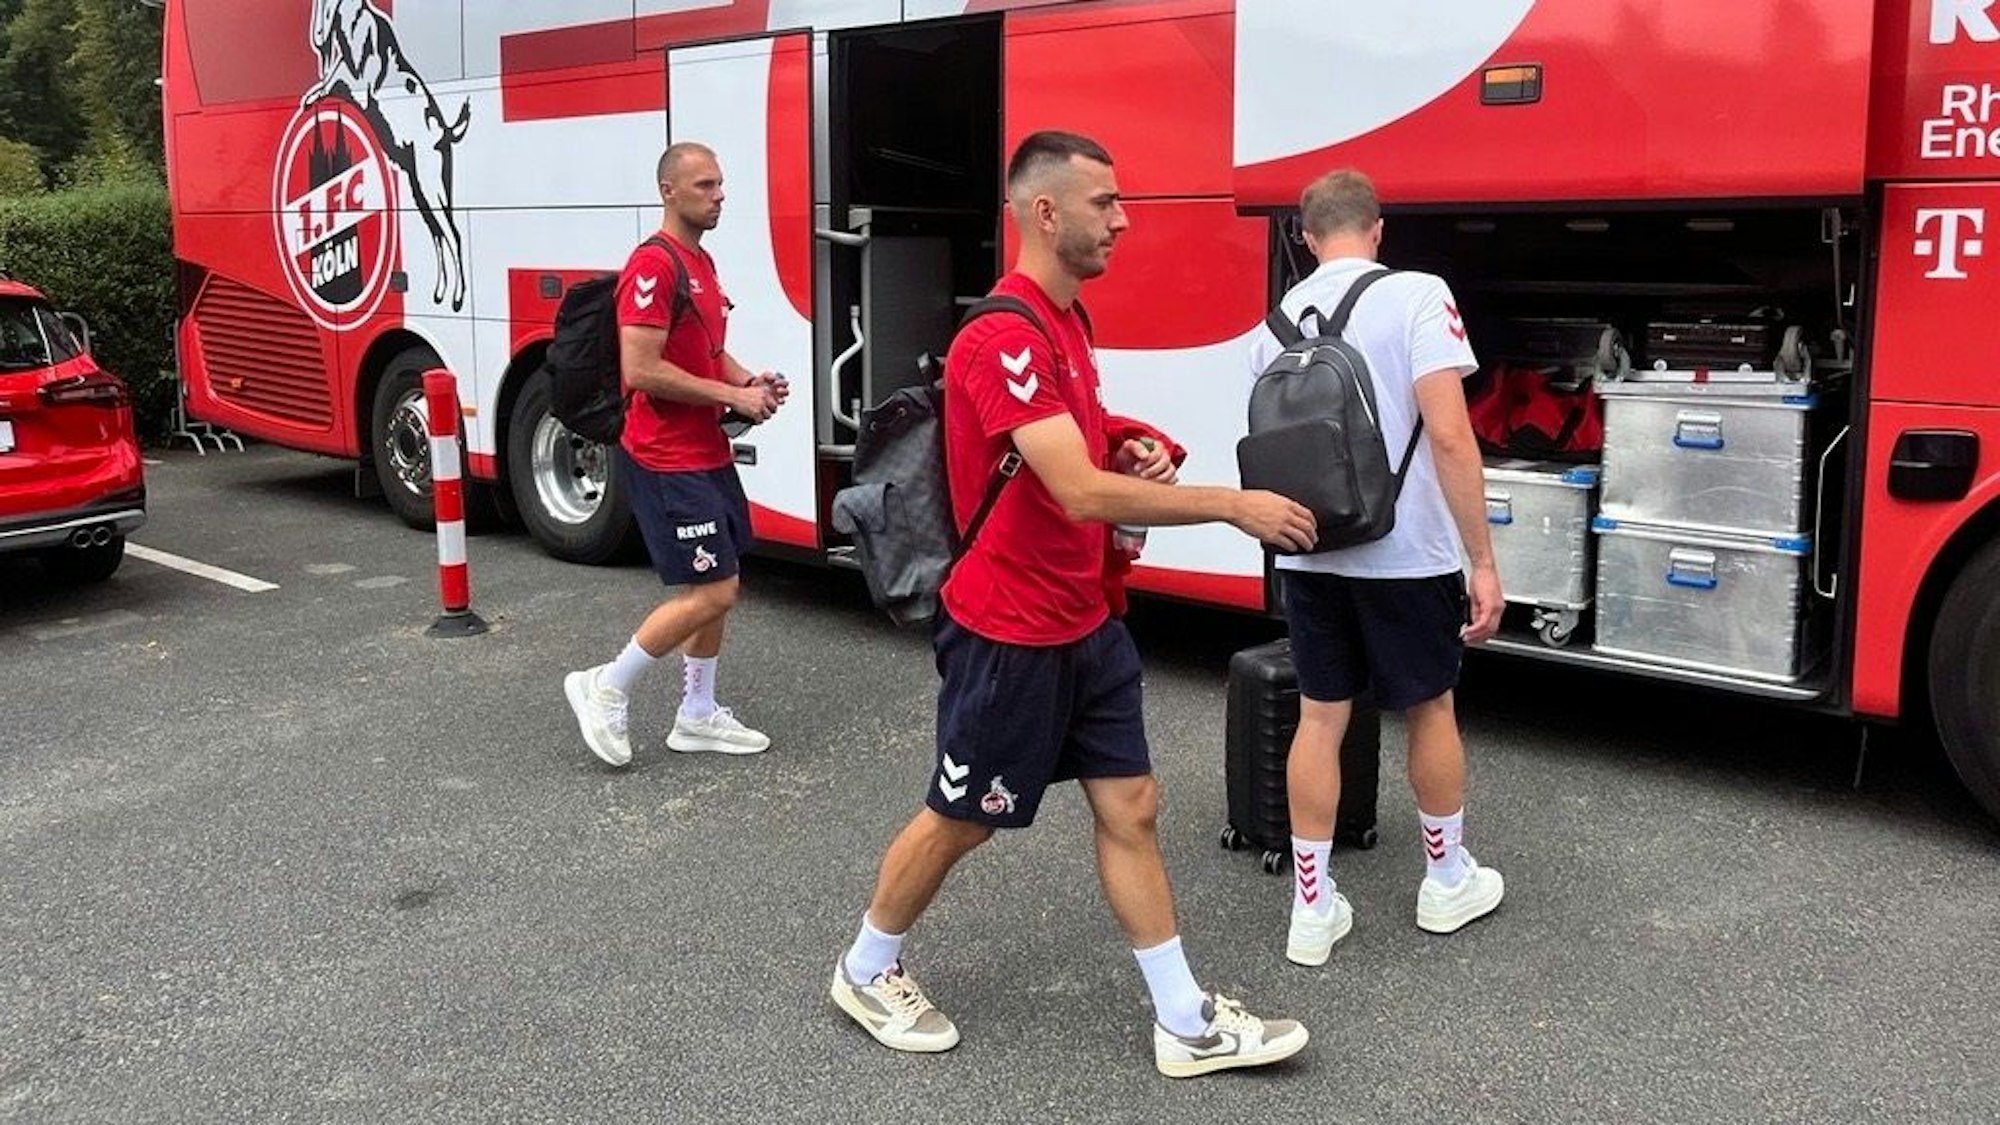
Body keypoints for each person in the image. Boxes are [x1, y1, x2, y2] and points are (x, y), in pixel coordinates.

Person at [829, 130, 1318, 1079]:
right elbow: (1077, 492)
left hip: (1084, 618)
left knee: (1131, 803)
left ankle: (1185, 1022)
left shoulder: (1067, 325)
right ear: (1045, 213)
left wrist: (1134, 438)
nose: (1124, 220)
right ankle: (864, 967)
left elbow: (1081, 442)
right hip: (1008, 631)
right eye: (1107, 203)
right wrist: (1230, 503)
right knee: (964, 816)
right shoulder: (1002, 335)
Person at [1244, 168, 1506, 968]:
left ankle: (1313, 907)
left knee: (1322, 716)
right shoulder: (1420, 295)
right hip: (1408, 553)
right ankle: (1445, 879)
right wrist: (1482, 560)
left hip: (1315, 547)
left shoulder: (1275, 322)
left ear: (1307, 235)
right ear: (1379, 229)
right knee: (1428, 708)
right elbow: (1452, 435)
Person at [563, 142, 789, 767]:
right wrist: (728, 397)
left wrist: (749, 384)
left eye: (720, 184)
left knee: (720, 580)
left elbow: (707, 352)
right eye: (705, 185)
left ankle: (697, 713)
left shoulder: (701, 264)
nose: (719, 195)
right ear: (668, 190)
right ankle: (606, 685)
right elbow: (640, 369)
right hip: (666, 456)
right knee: (713, 591)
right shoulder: (654, 266)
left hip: (704, 449)